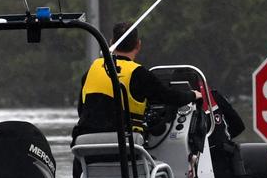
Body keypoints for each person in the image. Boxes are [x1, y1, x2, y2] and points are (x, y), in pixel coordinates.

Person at [71, 21, 200, 157]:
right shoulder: (140, 74)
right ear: (138, 45)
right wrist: (193, 95)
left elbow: (82, 110)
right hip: (125, 156)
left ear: (111, 42)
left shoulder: (92, 69)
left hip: (87, 152)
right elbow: (170, 97)